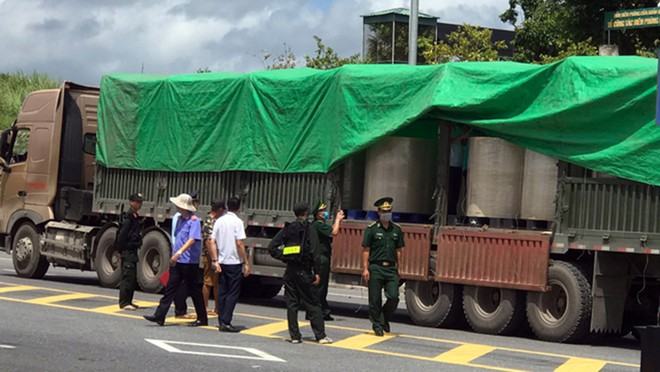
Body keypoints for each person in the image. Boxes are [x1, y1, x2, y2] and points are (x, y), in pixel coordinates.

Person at [269, 203, 332, 344]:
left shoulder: (288, 228)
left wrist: (286, 255)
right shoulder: (310, 229)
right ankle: (320, 335)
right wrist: (317, 272)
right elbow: (315, 252)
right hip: (304, 270)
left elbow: (272, 247)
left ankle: (295, 336)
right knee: (313, 303)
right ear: (306, 213)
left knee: (292, 304)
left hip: (290, 270)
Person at [144, 193, 208, 327]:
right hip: (178, 261)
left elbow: (192, 240)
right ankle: (159, 315)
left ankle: (202, 318)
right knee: (170, 288)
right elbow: (178, 239)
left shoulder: (194, 221)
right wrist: (175, 255)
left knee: (194, 291)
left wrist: (179, 253)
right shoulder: (179, 219)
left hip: (189, 262)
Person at [362, 197, 405, 337]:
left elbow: (399, 250)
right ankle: (377, 325)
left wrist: (400, 268)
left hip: (391, 268)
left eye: (389, 211)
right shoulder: (372, 229)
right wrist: (365, 268)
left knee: (394, 297)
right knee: (375, 300)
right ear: (378, 212)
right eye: (384, 211)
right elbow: (366, 250)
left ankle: (384, 318)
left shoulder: (397, 229)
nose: (387, 213)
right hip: (376, 267)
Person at [210, 196, 250, 332]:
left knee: (222, 291)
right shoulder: (238, 222)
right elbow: (239, 243)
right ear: (239, 207)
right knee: (232, 293)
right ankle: (226, 321)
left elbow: (211, 241)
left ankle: (221, 320)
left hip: (222, 260)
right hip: (234, 261)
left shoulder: (219, 221)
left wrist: (215, 260)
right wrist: (245, 262)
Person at [310, 201, 344, 321]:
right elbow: (334, 232)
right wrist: (338, 219)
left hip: (322, 257)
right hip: (321, 259)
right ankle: (316, 312)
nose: (325, 213)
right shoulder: (318, 225)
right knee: (320, 287)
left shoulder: (318, 224)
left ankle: (322, 311)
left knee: (321, 287)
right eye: (322, 211)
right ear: (317, 214)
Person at [173, 192, 201, 319]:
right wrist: (178, 252)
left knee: (185, 286)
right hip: (183, 257)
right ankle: (179, 310)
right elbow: (189, 239)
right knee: (183, 285)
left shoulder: (188, 220)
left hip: (184, 257)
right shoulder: (181, 219)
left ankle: (180, 310)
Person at [117, 193, 144, 311]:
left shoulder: (134, 216)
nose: (139, 204)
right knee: (127, 277)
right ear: (131, 202)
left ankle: (129, 300)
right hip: (127, 250)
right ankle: (124, 302)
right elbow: (122, 236)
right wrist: (121, 250)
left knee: (132, 277)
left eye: (140, 202)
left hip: (132, 251)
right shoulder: (128, 218)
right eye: (137, 202)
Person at [202, 200, 225, 315]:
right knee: (208, 281)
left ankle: (217, 307)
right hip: (210, 254)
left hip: (217, 254)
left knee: (216, 283)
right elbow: (208, 241)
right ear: (220, 210)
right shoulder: (209, 221)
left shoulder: (217, 220)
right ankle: (205, 307)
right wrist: (213, 258)